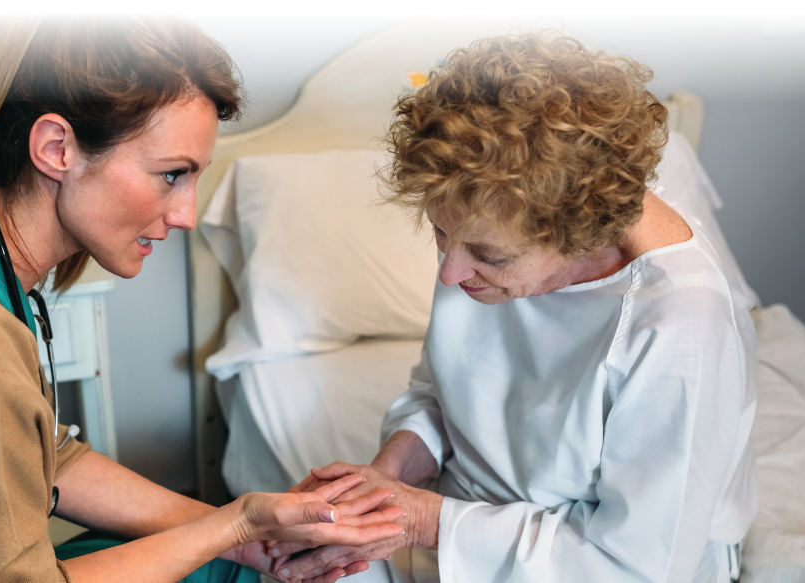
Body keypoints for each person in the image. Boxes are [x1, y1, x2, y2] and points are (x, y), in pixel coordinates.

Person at [0, 13, 405, 583]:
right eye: (171, 175)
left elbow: (46, 458)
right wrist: (234, 524)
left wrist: (246, 533)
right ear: (56, 148)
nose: (184, 215)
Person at [267, 27, 758, 583]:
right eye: (439, 234)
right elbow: (442, 388)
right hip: (458, 521)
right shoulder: (480, 222)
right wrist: (384, 481)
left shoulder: (681, 326)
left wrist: (421, 520)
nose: (451, 274)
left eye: (488, 256)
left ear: (579, 233)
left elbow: (637, 566)